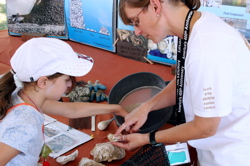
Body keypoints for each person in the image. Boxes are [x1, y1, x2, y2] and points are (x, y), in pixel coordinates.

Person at [112, 0, 250, 165]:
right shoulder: (196, 25)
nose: (136, 32)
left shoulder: (206, 51)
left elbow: (206, 127)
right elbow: (185, 80)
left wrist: (147, 138)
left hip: (230, 156)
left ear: (155, 6)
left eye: (136, 21)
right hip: (214, 148)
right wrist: (146, 107)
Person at [0, 37, 128, 166]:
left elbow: (71, 110)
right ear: (43, 82)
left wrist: (116, 108)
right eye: (66, 79)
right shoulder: (26, 126)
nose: (69, 85)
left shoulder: (25, 96)